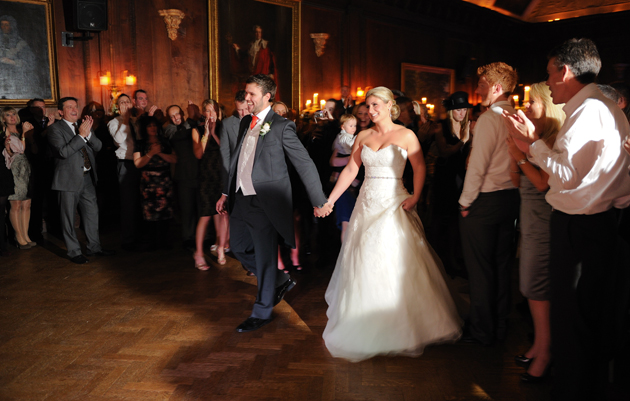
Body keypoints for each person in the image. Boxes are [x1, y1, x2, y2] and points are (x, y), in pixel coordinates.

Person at [502, 38, 630, 400]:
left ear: (565, 71)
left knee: (573, 322)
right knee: (585, 320)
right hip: (599, 224)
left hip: (581, 228)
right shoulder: (606, 107)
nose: (548, 81)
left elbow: (564, 175)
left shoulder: (589, 109)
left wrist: (531, 144)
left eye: (549, 74)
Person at [321, 86, 462, 362]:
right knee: (365, 258)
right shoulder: (363, 135)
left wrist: (416, 197)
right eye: (368, 106)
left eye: (375, 105)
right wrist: (330, 201)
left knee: (393, 257)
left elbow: (419, 167)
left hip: (394, 201)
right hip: (367, 202)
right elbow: (351, 169)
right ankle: (362, 320)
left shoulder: (406, 134)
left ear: (389, 106)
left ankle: (403, 322)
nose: (370, 111)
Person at [216, 74, 330, 333]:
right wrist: (226, 193)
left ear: (268, 96)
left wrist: (319, 199)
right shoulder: (246, 121)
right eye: (246, 93)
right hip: (240, 197)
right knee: (239, 248)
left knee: (266, 258)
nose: (247, 98)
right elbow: (238, 161)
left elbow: (304, 163)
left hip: (265, 201)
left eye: (252, 94)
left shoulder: (282, 126)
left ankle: (262, 310)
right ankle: (279, 280)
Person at [459, 62, 520, 346]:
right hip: (510, 198)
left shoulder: (489, 118)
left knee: (481, 269)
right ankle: (499, 325)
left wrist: (465, 202)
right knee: (501, 264)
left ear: (496, 88)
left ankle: (482, 331)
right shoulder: (516, 114)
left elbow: (477, 167)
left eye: (482, 85)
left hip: (485, 201)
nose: (477, 89)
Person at [47, 97, 115, 264]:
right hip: (68, 180)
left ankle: (94, 248)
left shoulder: (82, 126)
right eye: (69, 107)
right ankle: (74, 252)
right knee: (68, 218)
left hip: (87, 179)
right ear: (61, 112)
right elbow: (63, 152)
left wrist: (88, 133)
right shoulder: (55, 129)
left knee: (92, 214)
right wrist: (81, 136)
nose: (74, 109)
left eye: (75, 106)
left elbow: (98, 147)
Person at [428, 92, 473, 278]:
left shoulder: (470, 126)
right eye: (457, 109)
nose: (461, 113)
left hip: (462, 177)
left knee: (456, 220)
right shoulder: (441, 127)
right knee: (439, 219)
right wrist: (464, 140)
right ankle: (437, 260)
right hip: (444, 177)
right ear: (451, 110)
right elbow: (444, 152)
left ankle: (454, 259)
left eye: (464, 109)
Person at [192, 100, 228, 268]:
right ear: (203, 113)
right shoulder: (197, 130)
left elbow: (228, 152)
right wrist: (206, 133)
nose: (211, 114)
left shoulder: (224, 128)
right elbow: (199, 154)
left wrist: (214, 134)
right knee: (205, 215)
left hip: (221, 176)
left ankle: (221, 247)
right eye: (207, 111)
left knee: (222, 214)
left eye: (213, 110)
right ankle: (198, 253)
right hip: (206, 178)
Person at [133, 116, 176, 249]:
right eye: (149, 126)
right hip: (148, 183)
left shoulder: (165, 141)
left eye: (154, 125)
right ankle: (152, 242)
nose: (153, 128)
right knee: (149, 212)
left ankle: (164, 241)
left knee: (165, 211)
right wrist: (151, 153)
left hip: (164, 181)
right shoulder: (140, 143)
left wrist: (160, 153)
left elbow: (174, 159)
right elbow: (138, 163)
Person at [108, 94, 141, 250]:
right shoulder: (114, 122)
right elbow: (119, 140)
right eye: (122, 103)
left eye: (127, 102)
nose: (125, 105)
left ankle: (143, 236)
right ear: (117, 106)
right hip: (125, 164)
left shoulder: (137, 119)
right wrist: (125, 119)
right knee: (128, 203)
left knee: (141, 201)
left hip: (141, 162)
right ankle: (128, 239)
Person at [164, 105, 199, 250]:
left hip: (198, 172)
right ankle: (188, 238)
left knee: (199, 207)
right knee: (186, 209)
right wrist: (191, 119)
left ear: (182, 113)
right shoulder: (170, 129)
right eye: (172, 116)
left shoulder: (192, 126)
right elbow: (179, 136)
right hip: (183, 175)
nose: (175, 118)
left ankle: (203, 236)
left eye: (177, 114)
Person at [1, 107, 34, 249]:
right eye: (8, 115)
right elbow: (19, 149)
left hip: (25, 169)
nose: (12, 117)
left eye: (13, 114)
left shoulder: (20, 130)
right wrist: (25, 134)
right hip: (14, 169)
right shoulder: (5, 131)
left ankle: (26, 235)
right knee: (16, 204)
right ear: (3, 119)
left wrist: (25, 133)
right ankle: (18, 236)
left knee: (27, 203)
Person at [329, 113, 360, 242]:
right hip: (343, 175)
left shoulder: (348, 136)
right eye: (351, 126)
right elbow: (350, 148)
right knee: (346, 221)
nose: (353, 128)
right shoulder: (343, 138)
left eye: (355, 126)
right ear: (343, 127)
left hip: (349, 173)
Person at [1, 130, 15, 256]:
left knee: (1, 213)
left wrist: (7, 148)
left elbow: (10, 155)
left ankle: (2, 246)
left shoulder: (2, 133)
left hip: (3, 174)